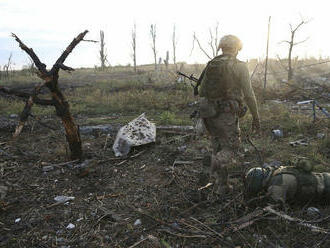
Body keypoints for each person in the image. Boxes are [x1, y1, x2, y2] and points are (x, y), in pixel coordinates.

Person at [197, 35, 260, 193]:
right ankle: (211, 162)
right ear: (238, 48)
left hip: (207, 112)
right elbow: (249, 95)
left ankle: (222, 186)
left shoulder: (211, 64)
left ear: (221, 47)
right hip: (226, 113)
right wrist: (256, 117)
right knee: (232, 148)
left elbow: (200, 91)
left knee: (218, 146)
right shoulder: (239, 66)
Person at [245, 160, 330, 204]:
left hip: (326, 190)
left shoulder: (276, 186)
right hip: (325, 176)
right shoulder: (278, 170)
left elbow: (275, 208)